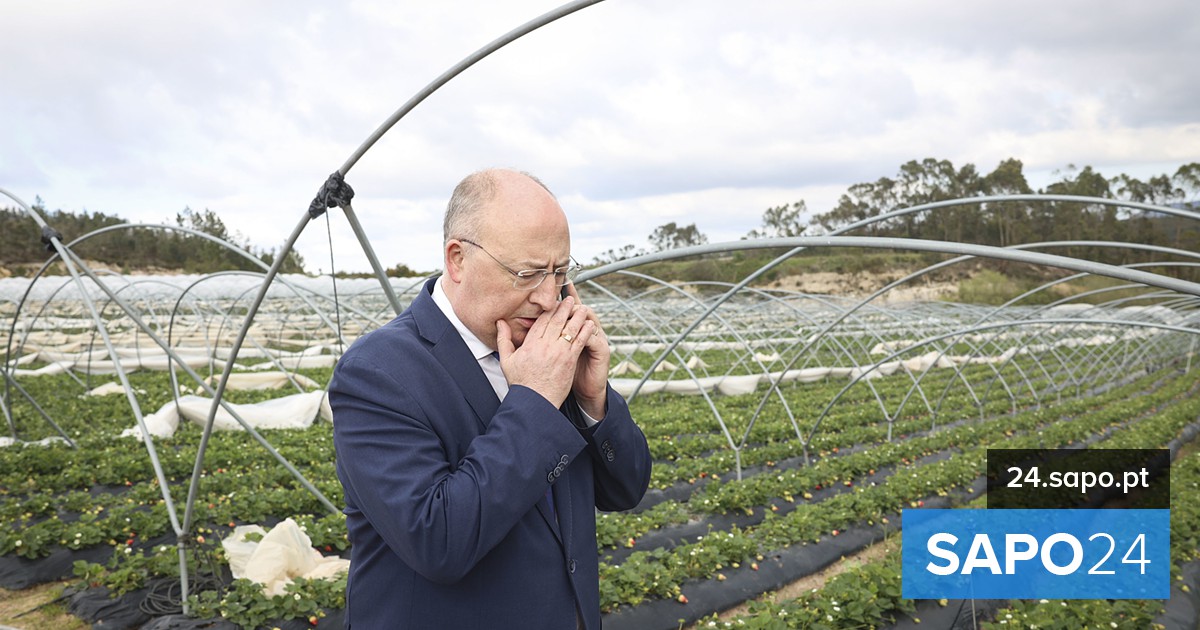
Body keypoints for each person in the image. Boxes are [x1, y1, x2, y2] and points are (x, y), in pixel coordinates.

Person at [328, 168, 652, 629]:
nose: (547, 297)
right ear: (457, 260)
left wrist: (592, 400)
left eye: (560, 272)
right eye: (527, 273)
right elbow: (437, 542)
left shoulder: (544, 348)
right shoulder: (377, 373)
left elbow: (626, 489)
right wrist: (536, 399)